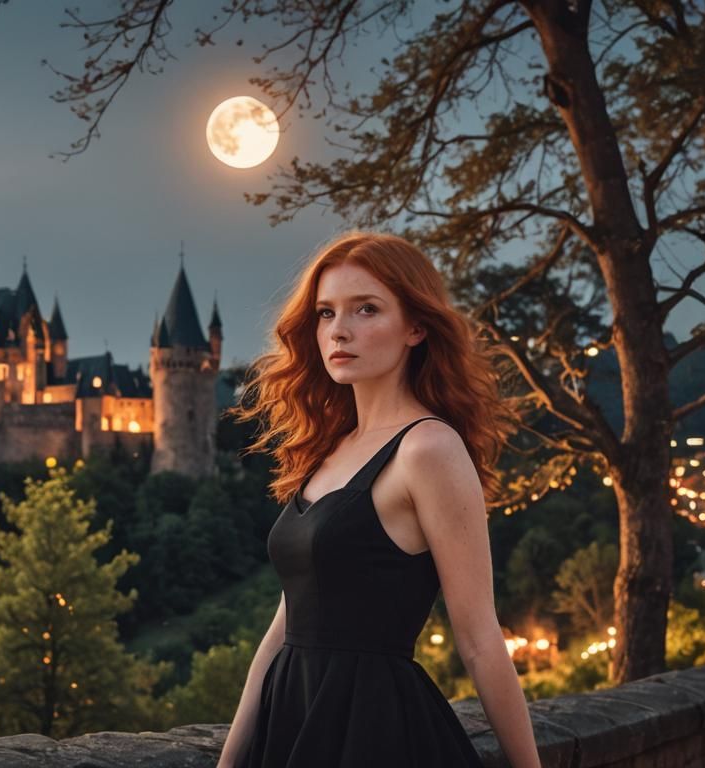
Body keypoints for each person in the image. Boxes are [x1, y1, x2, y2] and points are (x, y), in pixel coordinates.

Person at [218, 232, 542, 767]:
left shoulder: (429, 449)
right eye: (325, 313)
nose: (339, 331)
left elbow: (481, 638)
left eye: (366, 309)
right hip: (290, 722)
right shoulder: (330, 447)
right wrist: (230, 760)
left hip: (371, 730)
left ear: (416, 327)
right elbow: (285, 624)